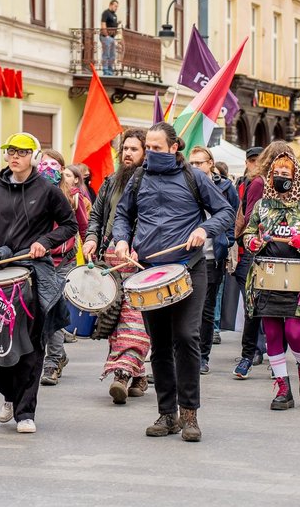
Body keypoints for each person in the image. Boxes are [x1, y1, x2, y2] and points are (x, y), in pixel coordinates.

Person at [112, 122, 235, 442]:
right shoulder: (139, 178)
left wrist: (204, 230)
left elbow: (225, 212)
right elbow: (123, 216)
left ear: (173, 148)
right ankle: (167, 414)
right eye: (147, 148)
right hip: (149, 271)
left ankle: (189, 414)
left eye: (156, 148)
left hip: (189, 268)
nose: (150, 154)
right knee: (161, 344)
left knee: (186, 336)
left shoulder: (194, 177)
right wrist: (122, 240)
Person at [0, 132, 77, 434]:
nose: (14, 156)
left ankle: (25, 411)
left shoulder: (47, 189)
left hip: (33, 271)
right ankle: (9, 394)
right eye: (10, 152)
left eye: (21, 152)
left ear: (33, 155)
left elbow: (70, 224)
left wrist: (45, 241)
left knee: (31, 344)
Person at [243, 151, 300, 410]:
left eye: (286, 174)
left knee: (293, 332)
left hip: (298, 279)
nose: (281, 178)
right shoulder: (263, 205)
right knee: (272, 334)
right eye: (277, 174)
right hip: (268, 275)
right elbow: (248, 232)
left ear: (296, 178)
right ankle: (283, 387)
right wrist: (252, 241)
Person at [83, 128, 152, 404]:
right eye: (125, 148)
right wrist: (90, 239)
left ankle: (121, 374)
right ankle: (139, 373)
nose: (127, 153)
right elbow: (97, 217)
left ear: (146, 153)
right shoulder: (111, 181)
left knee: (134, 322)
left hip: (141, 263)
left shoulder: (154, 183)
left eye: (134, 149)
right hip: (110, 262)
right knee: (114, 321)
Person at [231, 141, 293, 378]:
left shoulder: (295, 188)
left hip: (286, 254)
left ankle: (275, 356)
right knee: (254, 306)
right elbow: (249, 219)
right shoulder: (259, 183)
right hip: (258, 253)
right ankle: (249, 355)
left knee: (284, 307)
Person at [41, 164, 92, 386]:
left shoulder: (73, 198)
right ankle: (58, 355)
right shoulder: (32, 193)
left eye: (53, 165)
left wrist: (91, 249)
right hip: (38, 260)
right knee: (39, 311)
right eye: (44, 162)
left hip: (64, 261)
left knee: (54, 308)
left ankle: (51, 363)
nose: (47, 168)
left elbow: (82, 226)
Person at [188, 146, 236, 375]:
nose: (195, 167)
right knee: (185, 310)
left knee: (206, 310)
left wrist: (226, 242)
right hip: (187, 256)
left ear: (211, 164)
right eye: (192, 163)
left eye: (200, 163)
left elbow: (233, 216)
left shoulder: (225, 187)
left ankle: (202, 357)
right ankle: (186, 355)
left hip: (211, 256)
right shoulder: (185, 184)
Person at [100, 0, 119, 76]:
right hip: (106, 37)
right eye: (115, 6)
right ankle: (105, 69)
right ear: (110, 5)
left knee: (112, 54)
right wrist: (106, 35)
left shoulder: (115, 15)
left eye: (117, 6)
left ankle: (110, 70)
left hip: (112, 37)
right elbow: (103, 24)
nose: (116, 8)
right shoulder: (106, 13)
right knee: (106, 53)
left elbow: (114, 26)